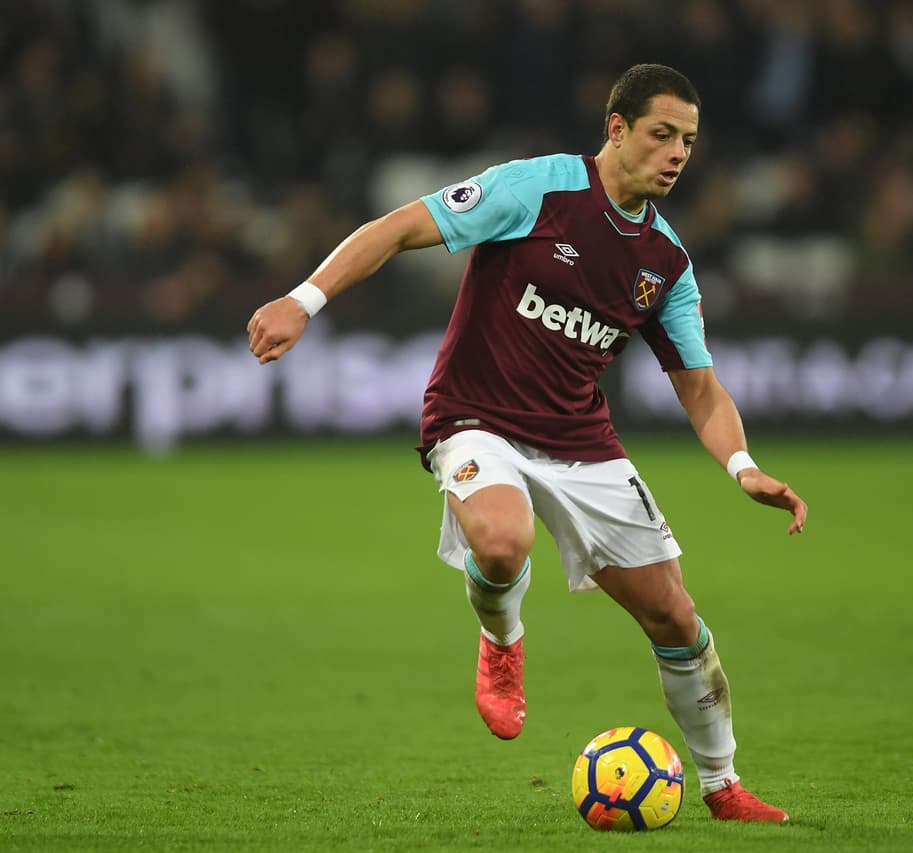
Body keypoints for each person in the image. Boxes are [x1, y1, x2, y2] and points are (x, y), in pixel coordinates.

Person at [246, 63, 807, 823]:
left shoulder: (666, 262)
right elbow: (400, 226)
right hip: (475, 416)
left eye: (689, 141)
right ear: (617, 130)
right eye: (661, 134)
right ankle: (501, 640)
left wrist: (743, 467)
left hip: (580, 439)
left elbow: (699, 388)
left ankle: (721, 783)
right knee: (504, 542)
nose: (677, 154)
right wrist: (303, 299)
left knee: (675, 616)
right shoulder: (536, 189)